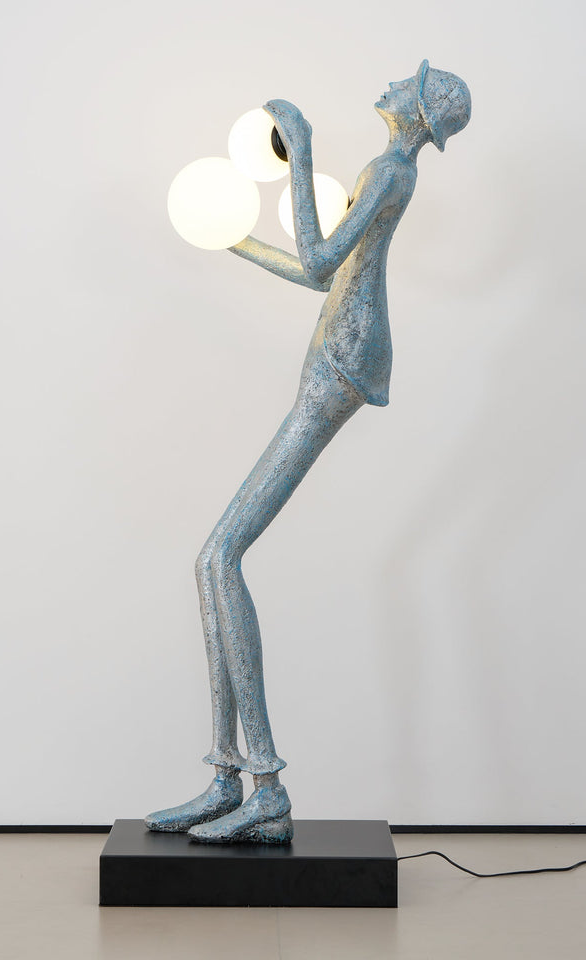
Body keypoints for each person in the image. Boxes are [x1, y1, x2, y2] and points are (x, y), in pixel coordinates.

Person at [145, 61, 471, 843]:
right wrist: (230, 237)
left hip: (342, 363)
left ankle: (264, 788)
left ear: (421, 111)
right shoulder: (389, 172)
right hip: (341, 349)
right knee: (214, 562)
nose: (394, 82)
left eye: (411, 82)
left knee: (220, 556)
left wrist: (303, 149)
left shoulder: (388, 170)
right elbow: (321, 275)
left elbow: (322, 263)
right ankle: (227, 778)